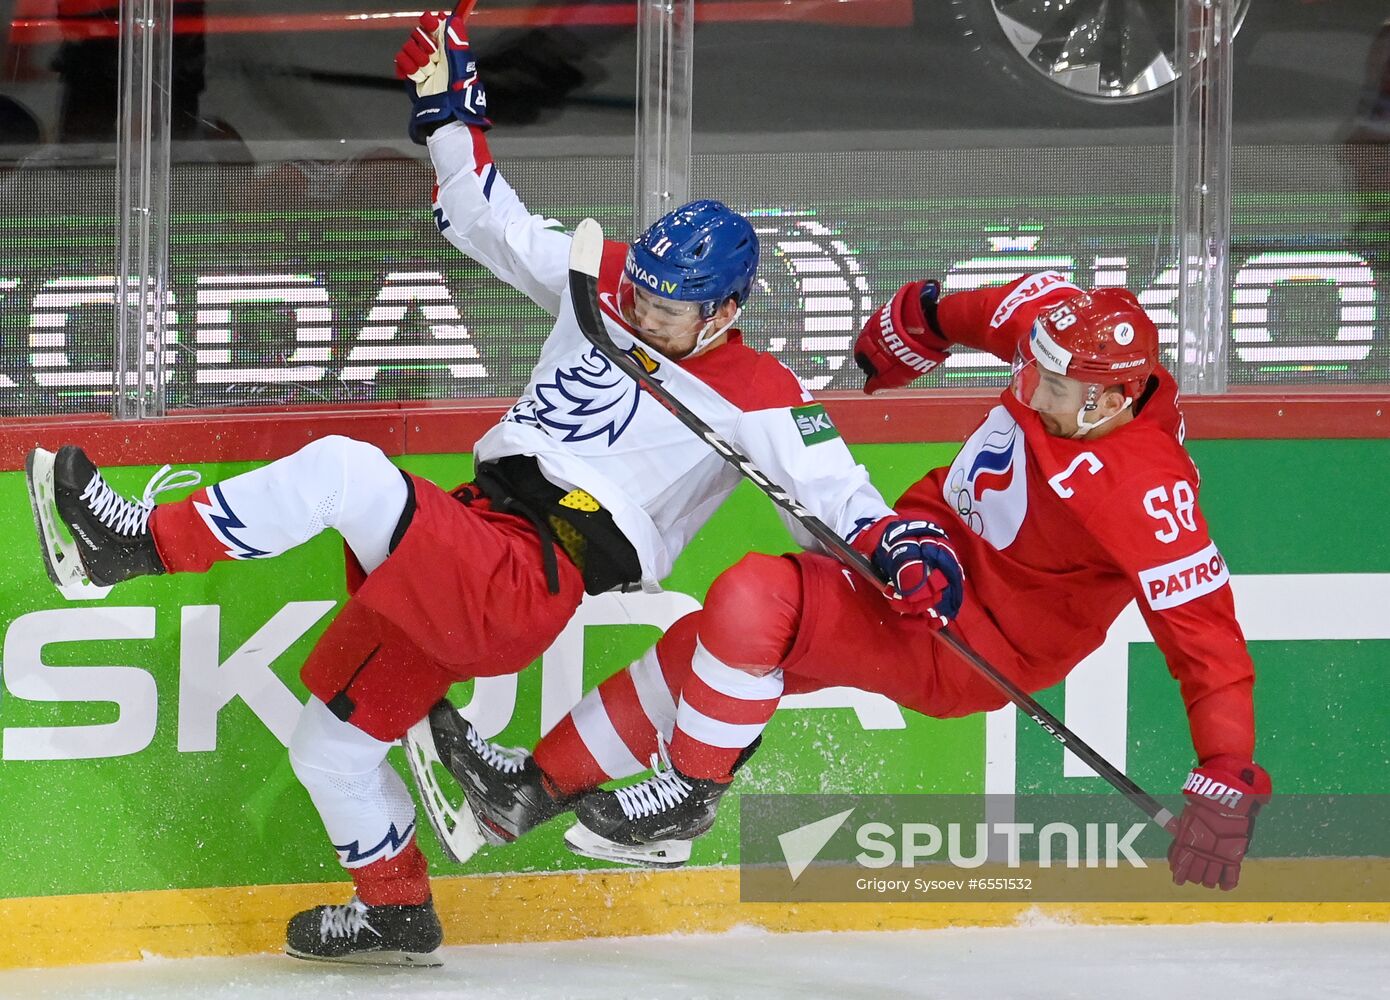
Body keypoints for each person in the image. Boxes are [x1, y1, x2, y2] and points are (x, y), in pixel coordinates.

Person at [22, 4, 959, 967]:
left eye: (669, 311)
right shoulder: (607, 281)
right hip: (470, 547)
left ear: (726, 312)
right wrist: (448, 109)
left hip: (528, 577)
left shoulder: (764, 396)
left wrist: (903, 549)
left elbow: (840, 499)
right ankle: (397, 910)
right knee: (330, 749)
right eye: (639, 291)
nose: (642, 311)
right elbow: (484, 217)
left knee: (347, 471)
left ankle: (130, 544)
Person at [429, 271, 1272, 892]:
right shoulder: (1053, 331)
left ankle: (688, 797)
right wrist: (909, 332)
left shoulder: (1146, 486)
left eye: (1052, 388)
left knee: (756, 596)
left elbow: (1206, 638)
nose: (1029, 389)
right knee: (713, 648)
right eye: (1032, 368)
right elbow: (955, 309)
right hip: (909, 563)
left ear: (1114, 400)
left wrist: (1227, 765)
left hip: (971, 644)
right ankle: (526, 792)